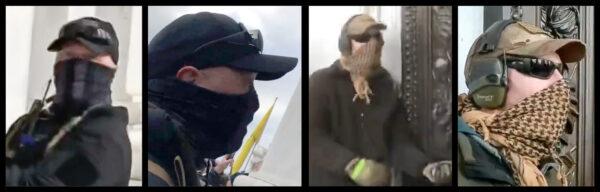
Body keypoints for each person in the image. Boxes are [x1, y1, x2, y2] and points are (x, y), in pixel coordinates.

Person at [147, 12, 297, 186]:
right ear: (190, 78)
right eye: (246, 82)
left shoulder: (172, 160)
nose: (253, 102)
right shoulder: (155, 173)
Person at [309, 14, 450, 186]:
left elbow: (398, 142)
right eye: (364, 38)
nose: (374, 43)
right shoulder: (321, 81)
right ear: (345, 44)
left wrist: (426, 167)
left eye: (377, 36)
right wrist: (351, 165)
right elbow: (313, 137)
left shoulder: (387, 87)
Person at [457, 19, 586, 186]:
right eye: (541, 66)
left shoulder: (545, 162)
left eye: (561, 70)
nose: (561, 81)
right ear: (489, 77)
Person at [5, 17, 131, 186]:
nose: (76, 66)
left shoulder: (106, 140)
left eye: (89, 57)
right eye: (68, 55)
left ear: (113, 68)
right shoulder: (34, 121)